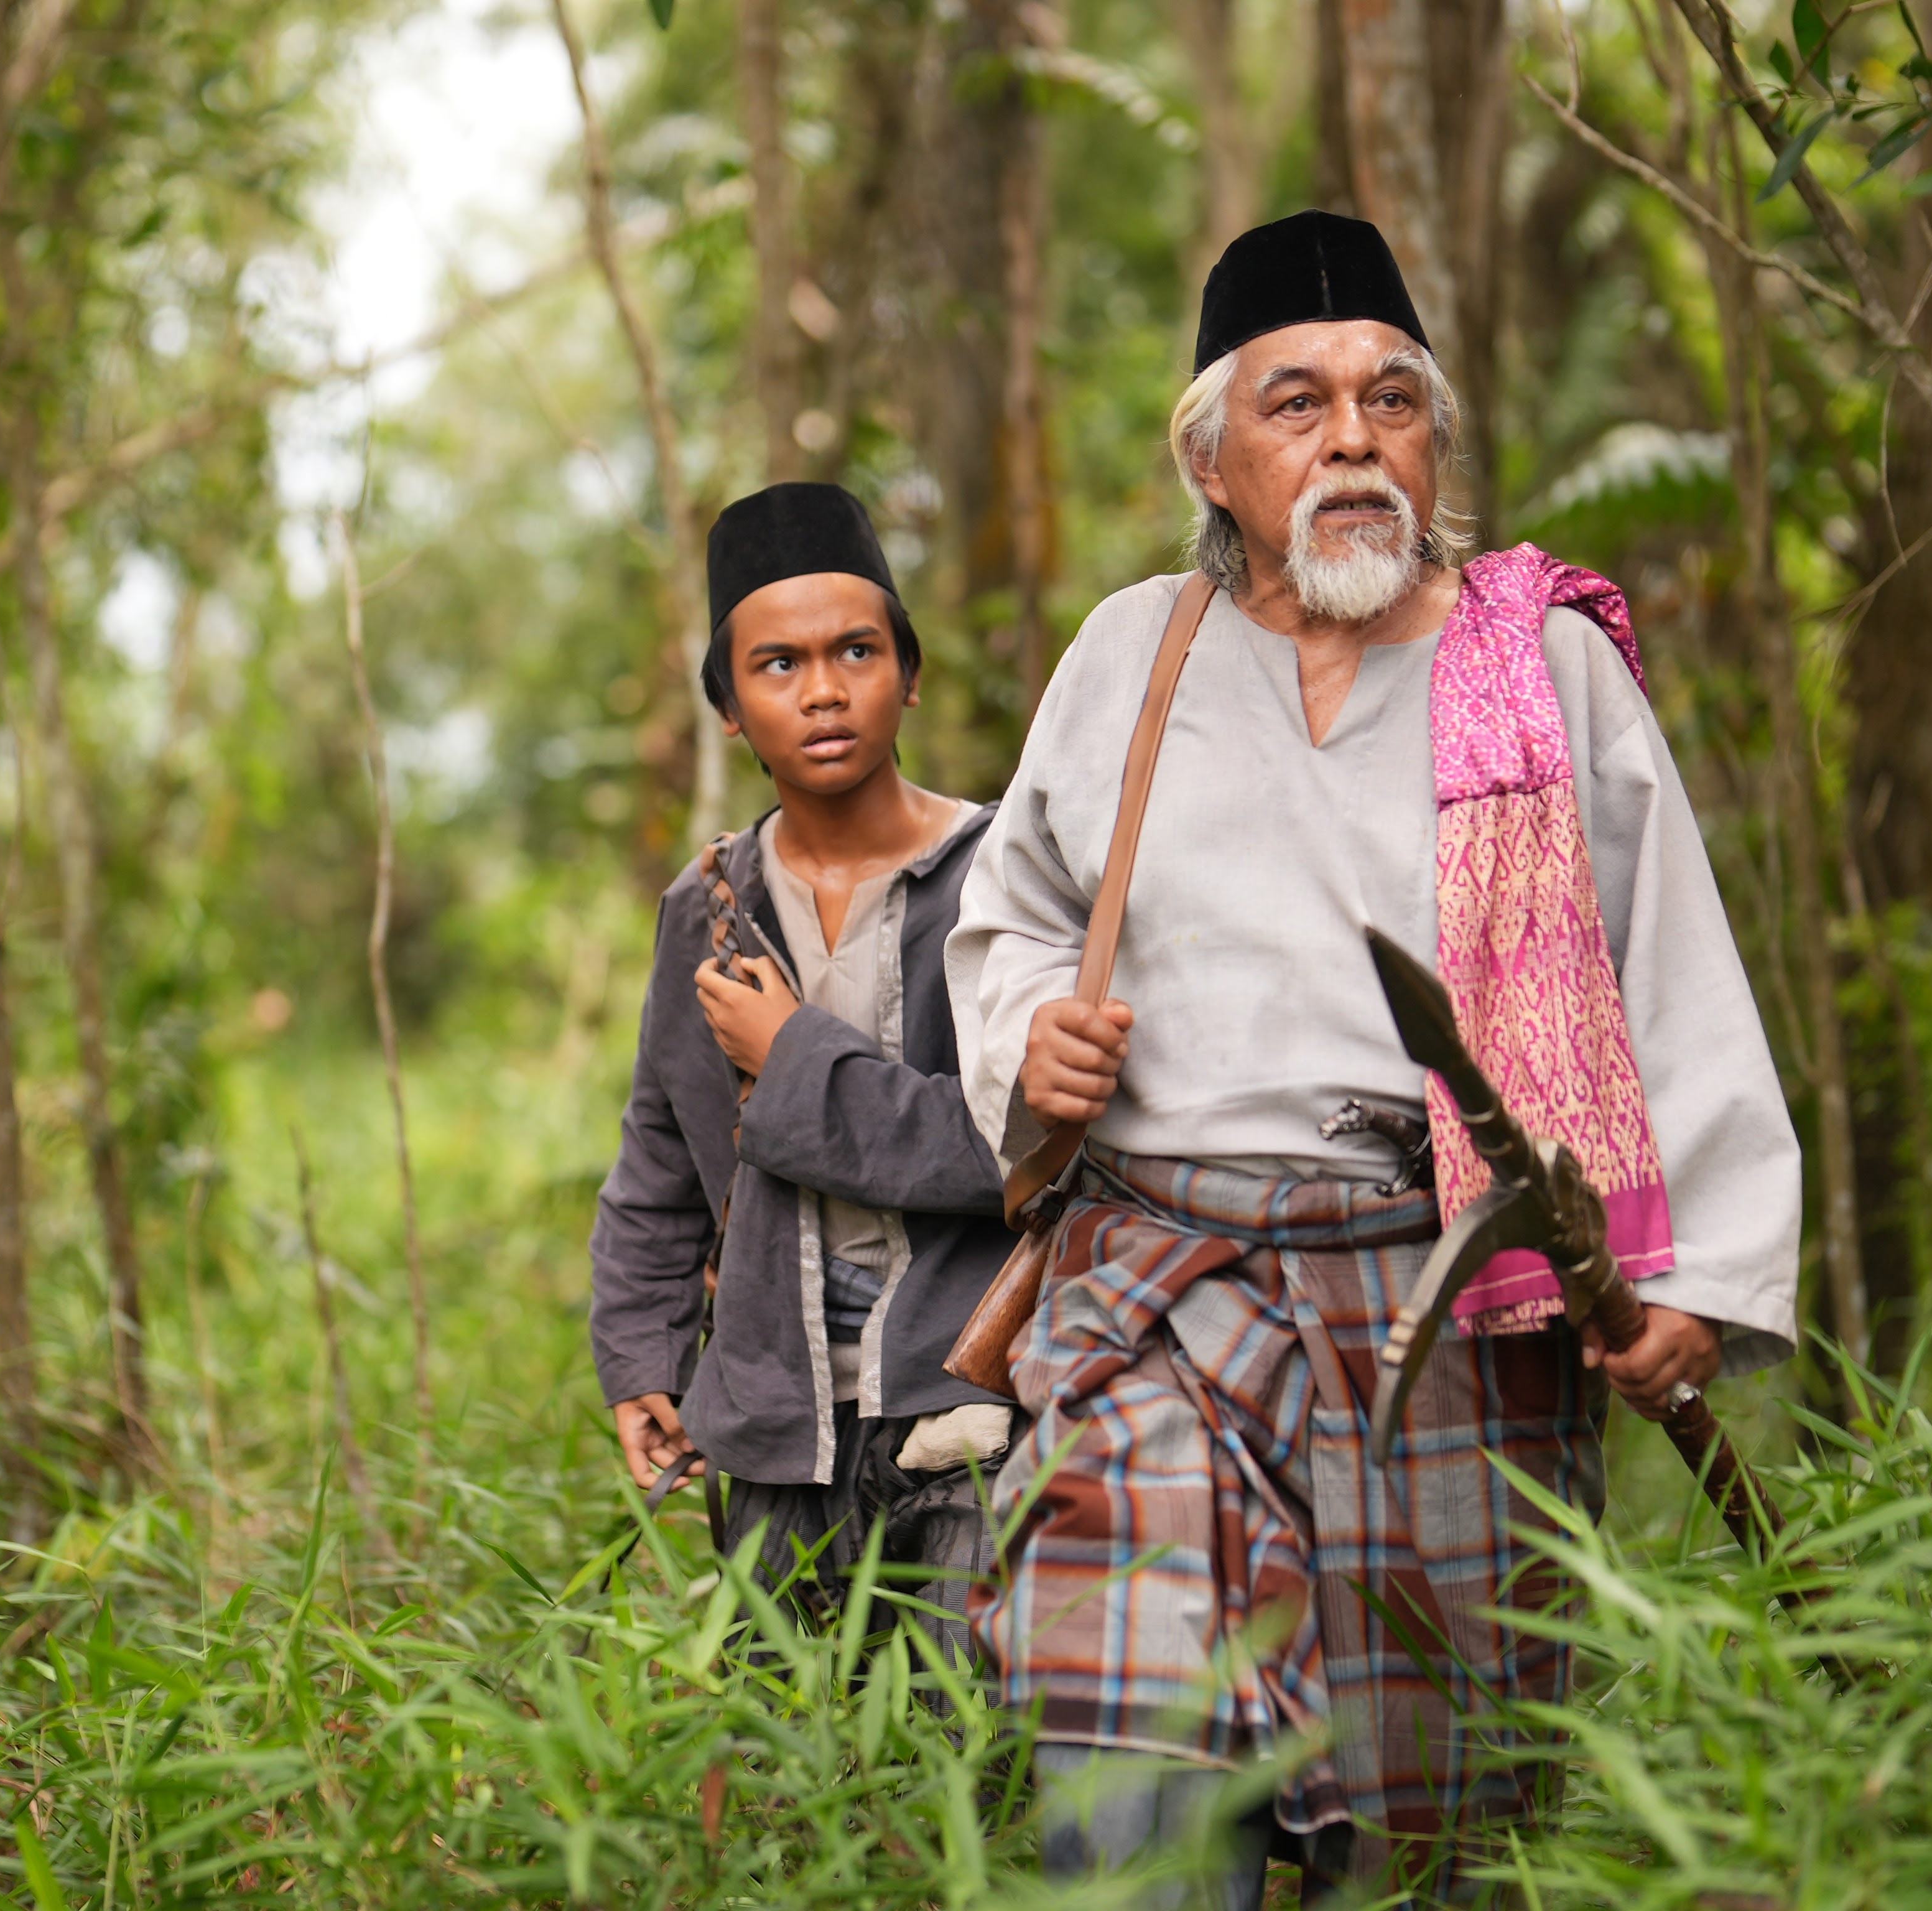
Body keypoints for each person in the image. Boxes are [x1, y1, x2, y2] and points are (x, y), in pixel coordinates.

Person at [946, 211, 1802, 1899]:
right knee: (1130, 1732)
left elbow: (1671, 963)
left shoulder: (1538, 662)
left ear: (1435, 438)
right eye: (1297, 403)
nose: (1352, 439)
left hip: (1454, 1297)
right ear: (1212, 456)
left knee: (1424, 1819)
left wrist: (1698, 1271)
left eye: (1391, 400)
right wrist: (1028, 1036)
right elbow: (1016, 917)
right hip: (1158, 1290)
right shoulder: (1136, 649)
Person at [591, 481, 1018, 1638]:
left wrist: (795, 1061)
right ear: (729, 705)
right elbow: (660, 1163)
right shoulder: (710, 908)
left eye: (857, 651)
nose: (823, 690)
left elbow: (1015, 1151)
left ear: (909, 672)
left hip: (969, 1400)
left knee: (967, 1746)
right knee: (793, 1759)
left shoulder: (1003, 881)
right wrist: (642, 1357)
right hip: (779, 1413)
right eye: (777, 665)